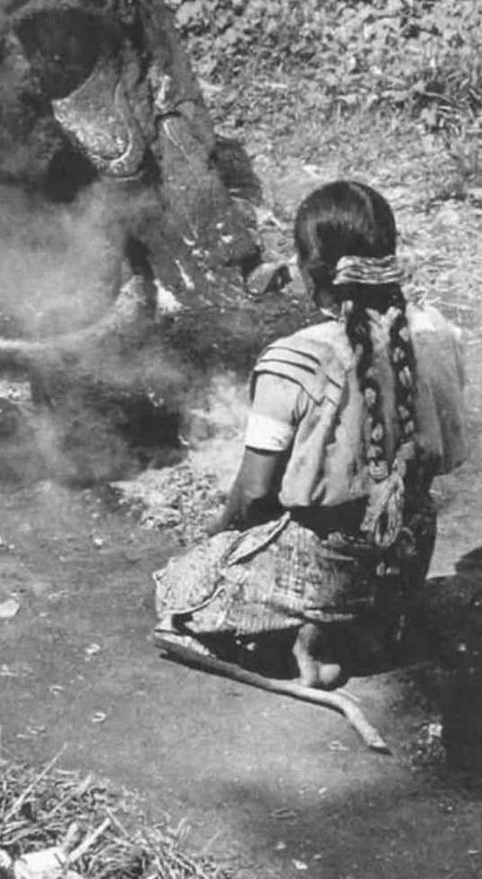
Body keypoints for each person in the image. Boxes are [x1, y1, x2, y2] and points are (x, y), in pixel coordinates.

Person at [154, 180, 467, 689]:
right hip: (407, 558)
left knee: (181, 587)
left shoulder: (292, 361)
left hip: (328, 568)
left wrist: (215, 544)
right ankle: (369, 626)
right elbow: (446, 451)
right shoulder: (435, 332)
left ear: (306, 270)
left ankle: (311, 632)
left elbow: (254, 495)